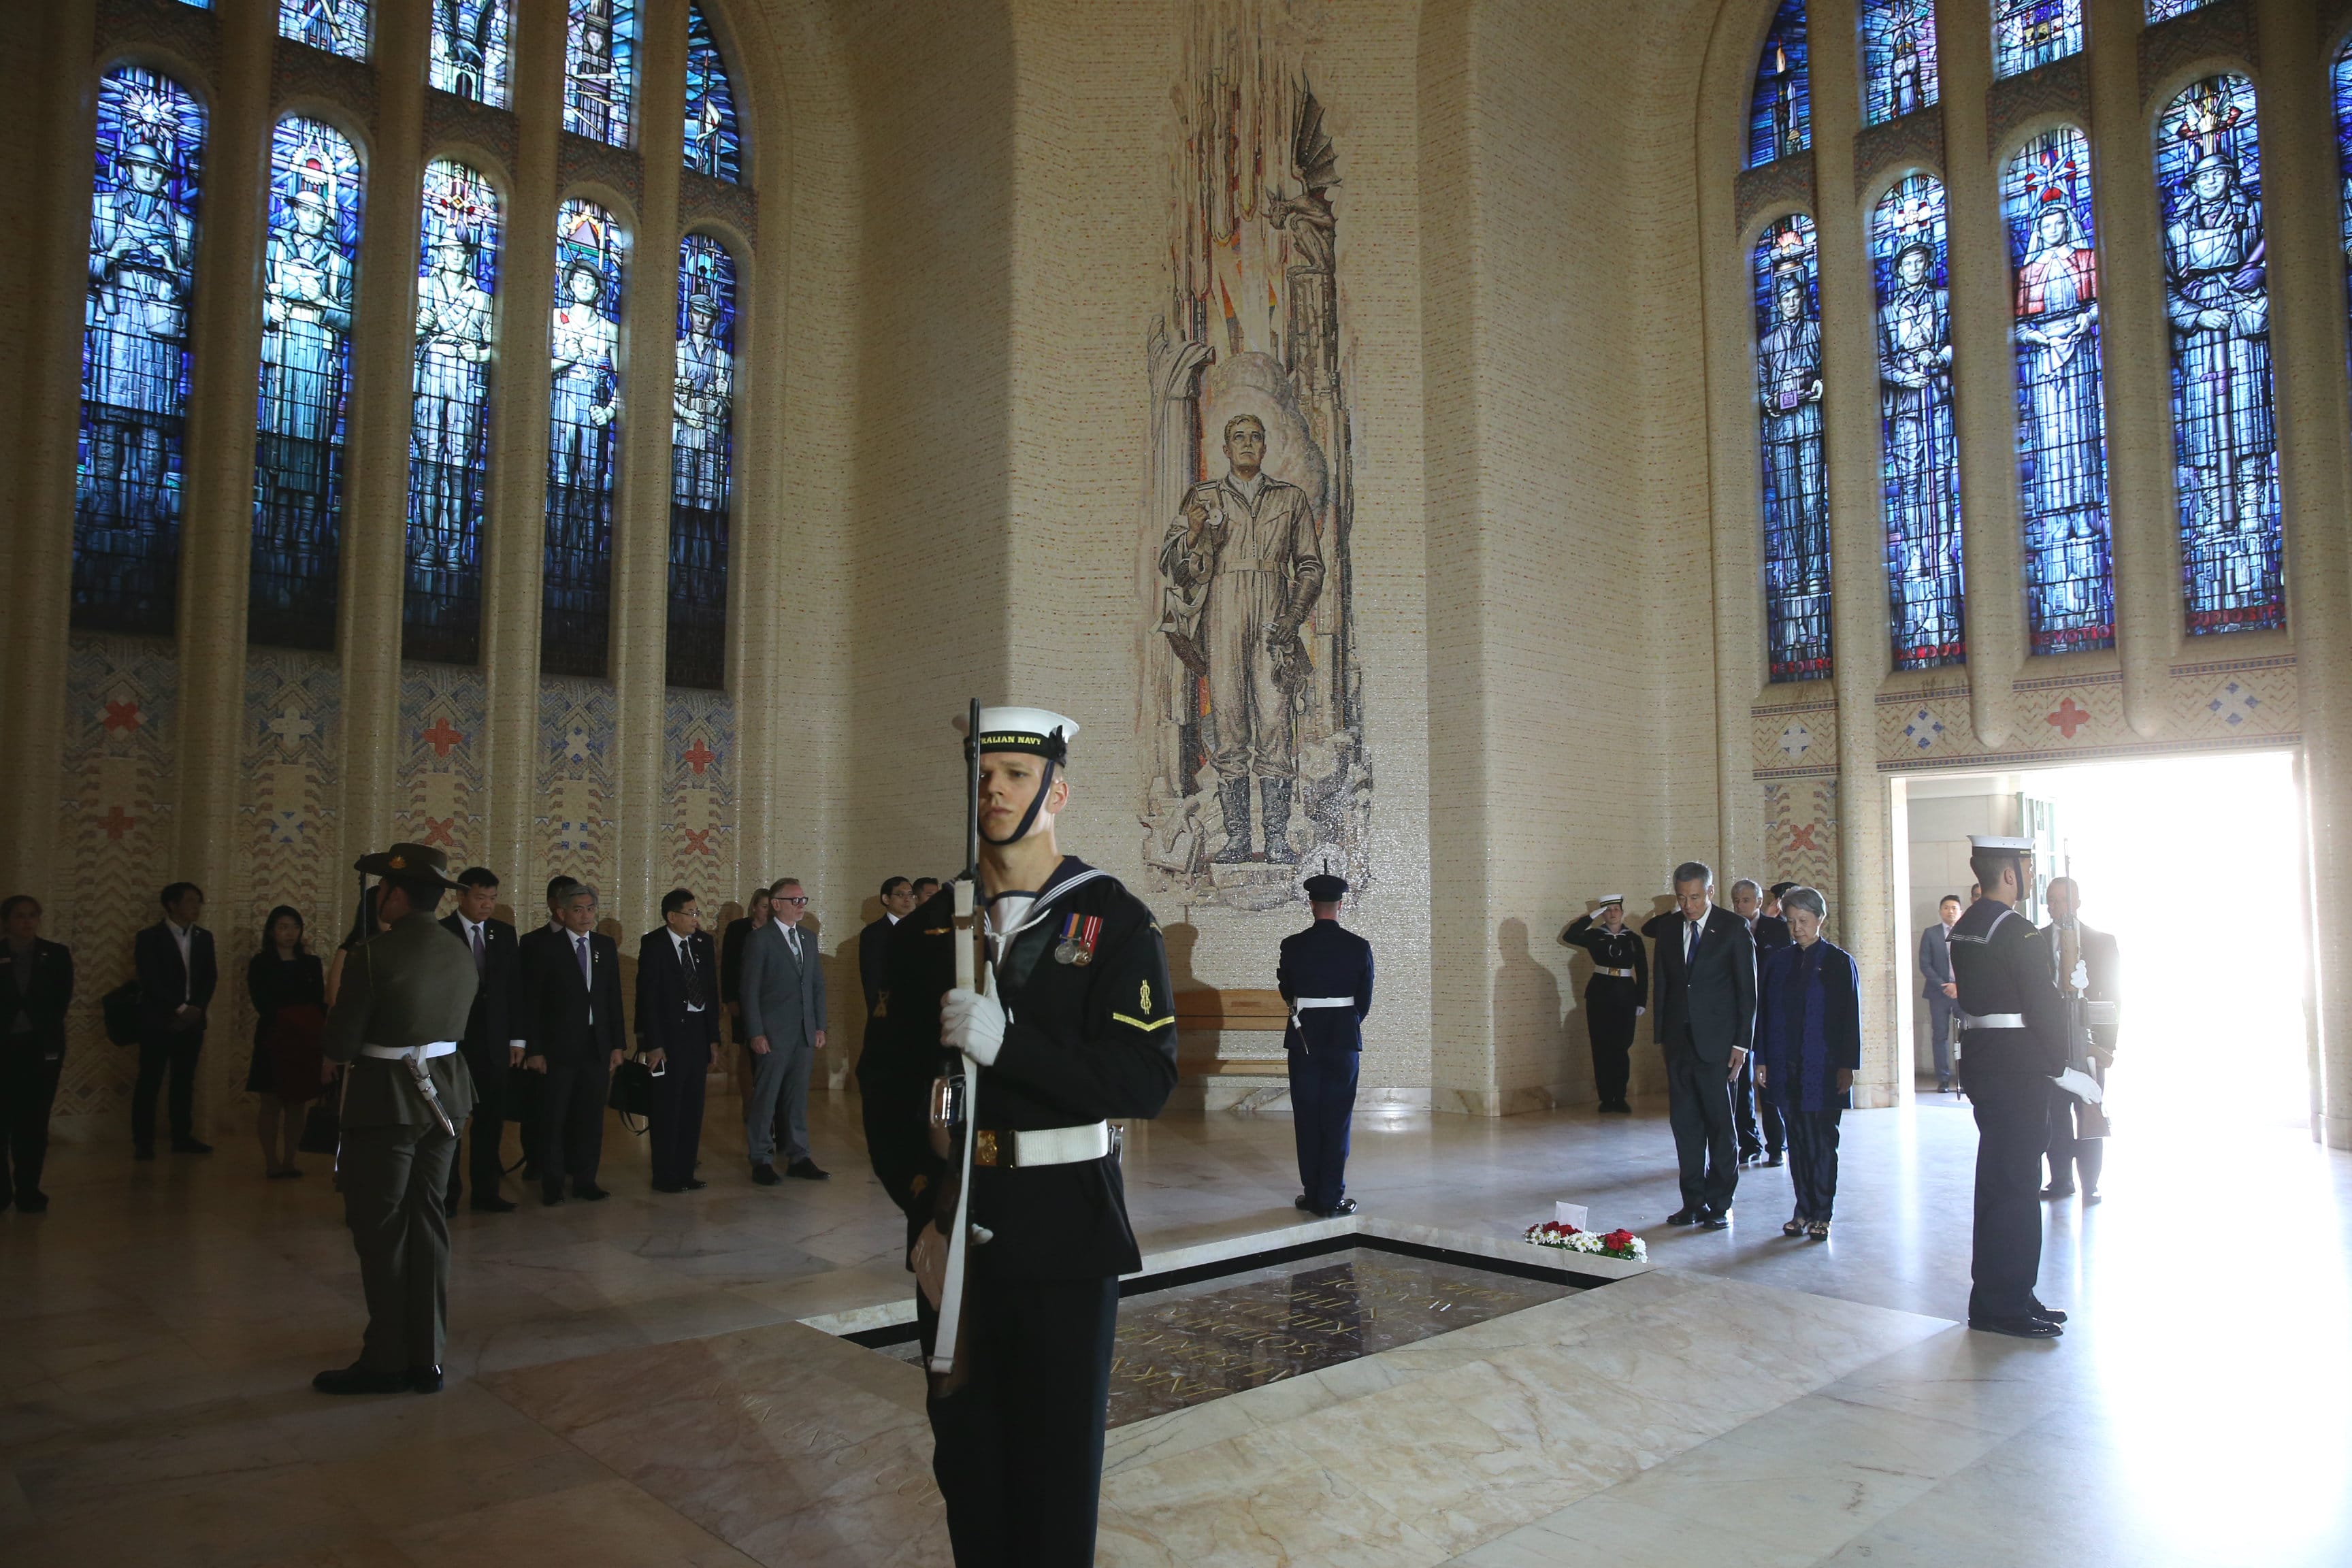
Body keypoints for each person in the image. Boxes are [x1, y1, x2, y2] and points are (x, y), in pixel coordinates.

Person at [860, 705, 1177, 1567]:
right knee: (965, 1453)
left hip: (1065, 1229)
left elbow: (1146, 1078)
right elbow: (884, 1087)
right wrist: (923, 1207)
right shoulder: (933, 927)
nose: (994, 790)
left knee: (1055, 1460)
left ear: (1057, 792)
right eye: (983, 773)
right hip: (953, 1223)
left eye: (1016, 775)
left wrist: (1011, 1046)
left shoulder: (1111, 917)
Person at [313, 843, 478, 1396]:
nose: (377, 898)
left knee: (382, 1230)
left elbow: (340, 1042)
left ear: (397, 894)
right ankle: (427, 1356)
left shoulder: (369, 956)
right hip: (447, 1100)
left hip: (387, 1102)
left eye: (382, 889)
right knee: (429, 1222)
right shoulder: (460, 950)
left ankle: (386, 1358)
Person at [1158, 412, 1326, 864]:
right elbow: (1172, 569)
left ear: (1265, 447)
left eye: (1256, 437)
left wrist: (1293, 616)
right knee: (1230, 726)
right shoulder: (1204, 498)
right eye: (1238, 438)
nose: (1248, 444)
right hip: (1223, 616)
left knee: (1275, 727)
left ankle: (1275, 840)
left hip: (1274, 617)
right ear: (1226, 449)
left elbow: (1311, 566)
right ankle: (1237, 840)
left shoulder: (1290, 499)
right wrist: (1193, 531)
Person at [1947, 834, 2069, 1339]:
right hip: (2019, 1069)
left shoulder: (1967, 926)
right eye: (2026, 866)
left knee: (1999, 1182)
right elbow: (2044, 1005)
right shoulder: (2017, 931)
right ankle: (2003, 1304)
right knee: (2017, 1187)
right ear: (2011, 874)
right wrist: (2061, 1061)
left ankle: (2011, 1290)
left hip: (1984, 1064)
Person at [1642, 862, 1755, 1229]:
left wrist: (1742, 1044)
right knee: (1686, 1126)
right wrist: (1663, 1037)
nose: (1688, 905)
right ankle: (1692, 1202)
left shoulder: (1733, 927)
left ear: (1709, 892)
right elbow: (1664, 984)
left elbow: (1747, 993)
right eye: (1681, 897)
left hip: (1720, 1046)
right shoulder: (1670, 928)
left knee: (1721, 1127)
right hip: (1680, 1044)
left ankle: (1720, 1205)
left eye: (1694, 897)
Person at [1754, 886, 1860, 1239]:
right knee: (1797, 1139)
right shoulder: (1778, 962)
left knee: (1822, 1140)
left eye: (1804, 920)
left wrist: (1848, 1065)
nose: (1797, 928)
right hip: (1787, 1065)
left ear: (1820, 920)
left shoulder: (1838, 962)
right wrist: (1763, 1059)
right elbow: (1766, 1015)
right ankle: (1802, 1210)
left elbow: (1849, 1018)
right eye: (1791, 921)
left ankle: (1822, 1213)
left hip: (1825, 1067)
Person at [518, 881, 623, 1205]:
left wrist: (617, 1044)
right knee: (554, 1117)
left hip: (596, 1045)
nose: (586, 916)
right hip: (557, 1048)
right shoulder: (544, 947)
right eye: (578, 910)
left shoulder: (604, 946)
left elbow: (612, 999)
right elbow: (531, 1003)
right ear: (561, 912)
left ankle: (585, 1180)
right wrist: (533, 1048)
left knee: (590, 1117)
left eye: (591, 909)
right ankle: (552, 1183)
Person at [1279, 872, 1373, 1218]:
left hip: (1304, 1038)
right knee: (1337, 1119)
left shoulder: (1292, 945)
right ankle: (1331, 1197)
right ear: (1340, 906)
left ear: (1311, 905)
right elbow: (1364, 999)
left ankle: (1312, 1192)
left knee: (1307, 1117)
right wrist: (1345, 1022)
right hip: (1344, 1039)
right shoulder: (1358, 946)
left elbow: (1287, 991)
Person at [441, 867, 523, 1214]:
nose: (487, 905)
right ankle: (447, 1195)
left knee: (490, 1122)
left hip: (495, 1043)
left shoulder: (504, 934)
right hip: (454, 1044)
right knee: (452, 1123)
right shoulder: (441, 932)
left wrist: (517, 1040)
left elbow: (515, 991)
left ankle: (486, 1192)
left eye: (492, 898)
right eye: (480, 898)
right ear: (461, 897)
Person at [740, 877, 828, 1183]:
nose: (801, 905)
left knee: (796, 1097)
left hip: (804, 1032)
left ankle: (798, 1156)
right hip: (773, 1034)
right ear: (776, 904)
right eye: (795, 900)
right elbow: (749, 991)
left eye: (804, 900)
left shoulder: (808, 938)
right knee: (766, 1098)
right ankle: (761, 1158)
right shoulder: (760, 939)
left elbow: (816, 985)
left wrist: (819, 1025)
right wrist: (756, 1032)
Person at [636, 889, 719, 1193]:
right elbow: (647, 998)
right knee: (667, 1106)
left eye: (697, 913)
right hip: (668, 1039)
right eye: (691, 913)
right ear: (672, 917)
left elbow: (711, 991)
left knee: (692, 1106)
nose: (696, 920)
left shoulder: (703, 943)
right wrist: (653, 1044)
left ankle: (686, 1170)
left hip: (698, 1034)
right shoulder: (654, 944)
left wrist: (713, 1038)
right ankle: (664, 1175)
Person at [2041, 876, 2119, 1203]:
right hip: (2053, 1042)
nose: (2059, 906)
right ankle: (2061, 1181)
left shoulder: (2101, 941)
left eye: (2065, 899)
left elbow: (2115, 998)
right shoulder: (2036, 940)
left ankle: (2091, 1183)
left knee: (2089, 1112)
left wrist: (2106, 1046)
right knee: (2055, 1116)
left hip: (2088, 1043)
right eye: (2053, 900)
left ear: (2078, 902)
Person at [133, 881, 217, 1159]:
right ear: (172, 904)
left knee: (183, 1081)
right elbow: (150, 979)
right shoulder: (149, 937)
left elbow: (209, 977)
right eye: (191, 901)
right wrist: (179, 1008)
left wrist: (196, 1008)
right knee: (150, 1081)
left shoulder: (204, 937)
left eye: (198, 902)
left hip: (193, 1021)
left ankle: (182, 1136)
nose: (196, 907)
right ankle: (143, 1142)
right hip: (159, 1020)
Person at [0, 896, 74, 1213]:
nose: (27, 922)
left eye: (33, 916)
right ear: (6, 921)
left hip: (40, 1048)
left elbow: (60, 1001)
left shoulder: (55, 955)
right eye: (20, 916)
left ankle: (29, 1188)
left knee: (33, 1122)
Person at [246, 906, 327, 1179]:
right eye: (282, 927)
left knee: (297, 1102)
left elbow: (319, 1001)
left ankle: (290, 1160)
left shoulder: (311, 963)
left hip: (304, 1038)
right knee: (270, 1102)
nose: (289, 933)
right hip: (274, 1036)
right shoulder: (261, 963)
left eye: (294, 927)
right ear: (271, 931)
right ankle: (271, 1161)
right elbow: (262, 1002)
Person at [513, 876, 582, 1181]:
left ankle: (570, 1162)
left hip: (580, 1043)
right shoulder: (533, 941)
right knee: (539, 1106)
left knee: (575, 1109)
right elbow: (529, 999)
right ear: (556, 905)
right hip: (546, 1043)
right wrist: (532, 1046)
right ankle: (537, 1161)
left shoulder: (591, 941)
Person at [1558, 894, 1646, 1113]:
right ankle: (1606, 1098)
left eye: (1616, 909)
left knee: (1622, 1046)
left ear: (1622, 912)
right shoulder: (1595, 936)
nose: (1613, 913)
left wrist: (1641, 1000)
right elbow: (1570, 935)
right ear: (1603, 914)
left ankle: (1620, 1095)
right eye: (1608, 910)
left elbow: (1643, 972)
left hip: (1626, 995)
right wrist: (1591, 916)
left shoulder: (1633, 939)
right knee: (1601, 1047)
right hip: (1600, 995)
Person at [1727, 879, 1787, 1167]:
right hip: (1739, 1016)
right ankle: (1748, 1143)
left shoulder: (1779, 929)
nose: (1740, 905)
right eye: (1736, 900)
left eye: (1746, 900)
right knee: (1739, 1081)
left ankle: (1777, 1145)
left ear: (1759, 902)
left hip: (1770, 1014)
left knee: (1770, 1081)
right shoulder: (1726, 929)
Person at [719, 883, 771, 1074]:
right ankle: (748, 1101)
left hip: (770, 1002)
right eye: (765, 906)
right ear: (754, 907)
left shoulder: (777, 930)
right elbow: (728, 966)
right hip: (743, 999)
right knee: (746, 1048)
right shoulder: (737, 929)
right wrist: (730, 998)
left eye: (771, 907)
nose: (768, 911)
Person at [1920, 892, 1961, 1093]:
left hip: (1963, 993)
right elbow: (1925, 964)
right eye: (1946, 907)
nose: (1950, 911)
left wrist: (1959, 986)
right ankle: (1943, 1079)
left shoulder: (1967, 932)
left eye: (1954, 908)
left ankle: (1965, 1077)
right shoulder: (1931, 933)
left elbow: (1974, 963)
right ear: (1940, 911)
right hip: (1939, 993)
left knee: (1966, 1036)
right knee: (1940, 1036)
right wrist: (1945, 985)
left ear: (1960, 912)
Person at [862, 876, 919, 1019]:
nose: (907, 899)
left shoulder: (920, 930)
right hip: (888, 1014)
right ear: (886, 899)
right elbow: (872, 980)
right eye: (901, 895)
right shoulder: (873, 933)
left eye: (910, 895)